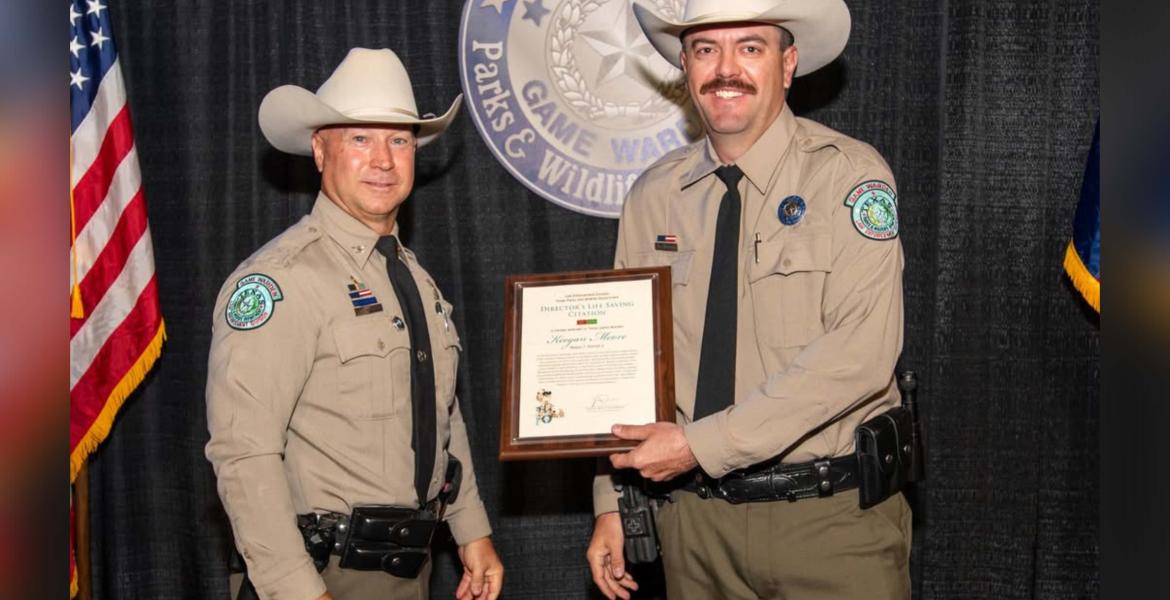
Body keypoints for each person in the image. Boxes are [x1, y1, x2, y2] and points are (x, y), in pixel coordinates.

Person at [586, 0, 910, 598]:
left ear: (787, 65)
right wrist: (612, 502)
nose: (725, 68)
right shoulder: (652, 197)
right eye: (706, 49)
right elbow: (620, 362)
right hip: (694, 528)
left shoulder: (848, 178)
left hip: (829, 522)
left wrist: (698, 446)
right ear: (685, 66)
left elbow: (863, 353)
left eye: (750, 48)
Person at [205, 47, 503, 600]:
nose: (384, 160)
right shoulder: (280, 280)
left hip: (409, 572)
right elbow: (243, 453)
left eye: (399, 140)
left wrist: (470, 529)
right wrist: (298, 592)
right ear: (321, 151)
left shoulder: (413, 279)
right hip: (322, 576)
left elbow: (441, 413)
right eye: (360, 139)